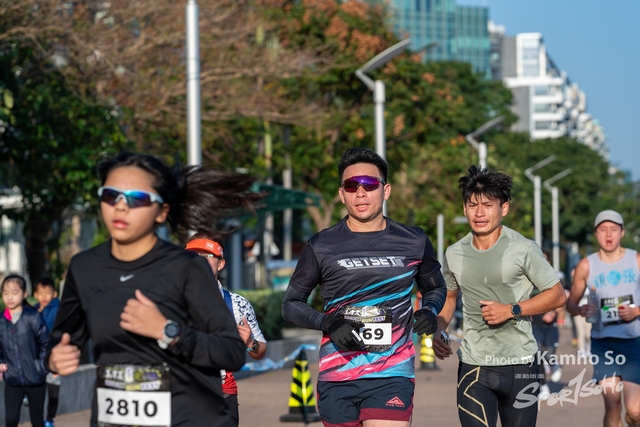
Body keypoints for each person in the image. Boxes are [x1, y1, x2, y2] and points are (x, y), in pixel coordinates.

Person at [46, 152, 262, 427]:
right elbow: (61, 340)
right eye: (111, 195)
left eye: (136, 198)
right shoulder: (85, 268)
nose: (120, 207)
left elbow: (231, 352)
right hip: (114, 417)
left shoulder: (188, 268)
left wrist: (168, 332)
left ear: (161, 211)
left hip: (184, 417)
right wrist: (54, 358)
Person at [282, 147, 446, 427]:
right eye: (351, 185)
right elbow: (290, 304)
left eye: (369, 184)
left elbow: (436, 288)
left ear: (386, 190)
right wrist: (327, 323)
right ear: (341, 194)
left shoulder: (414, 240)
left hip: (392, 374)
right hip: (337, 376)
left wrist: (430, 311)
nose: (360, 193)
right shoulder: (321, 245)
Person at [433, 166, 566, 427]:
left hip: (521, 365)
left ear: (503, 208)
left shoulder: (523, 248)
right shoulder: (454, 253)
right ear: (464, 209)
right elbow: (449, 299)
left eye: (487, 205)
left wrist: (511, 310)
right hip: (474, 366)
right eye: (473, 205)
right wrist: (439, 329)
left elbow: (557, 295)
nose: (479, 213)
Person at [567, 210, 640, 427]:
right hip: (603, 345)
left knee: (635, 412)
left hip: (634, 343)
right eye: (603, 229)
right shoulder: (586, 266)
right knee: (612, 405)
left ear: (622, 233)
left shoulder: (636, 260)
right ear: (596, 234)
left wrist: (636, 311)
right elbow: (570, 304)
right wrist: (581, 310)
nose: (608, 234)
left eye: (613, 229)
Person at [185, 235, 267, 427]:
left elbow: (260, 351)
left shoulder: (237, 304)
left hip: (222, 394)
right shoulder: (169, 299)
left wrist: (250, 343)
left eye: (207, 256)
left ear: (221, 263)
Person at [0, 274, 49, 427]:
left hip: (36, 379)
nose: (10, 297)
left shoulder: (33, 317)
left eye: (15, 292)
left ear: (24, 293)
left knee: (37, 421)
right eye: (5, 293)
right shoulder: (1, 321)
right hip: (12, 379)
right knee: (11, 419)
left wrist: (40, 367)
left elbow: (46, 344)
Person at [531, 252, 565, 400]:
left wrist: (554, 313)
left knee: (549, 354)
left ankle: (553, 364)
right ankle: (543, 386)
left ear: (549, 261)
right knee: (538, 354)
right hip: (535, 324)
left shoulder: (554, 278)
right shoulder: (528, 278)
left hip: (550, 325)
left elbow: (561, 299)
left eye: (545, 258)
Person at [33, 277, 61, 427]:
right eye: (40, 293)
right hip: (37, 357)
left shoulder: (58, 310)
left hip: (53, 356)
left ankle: (50, 420)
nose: (44, 296)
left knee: (53, 391)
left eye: (48, 292)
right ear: (35, 295)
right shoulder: (33, 310)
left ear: (54, 294)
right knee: (37, 389)